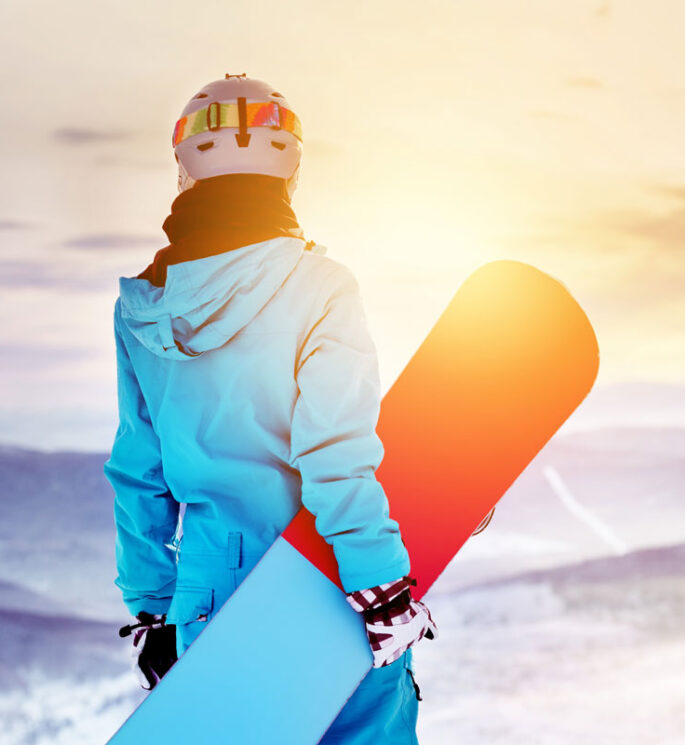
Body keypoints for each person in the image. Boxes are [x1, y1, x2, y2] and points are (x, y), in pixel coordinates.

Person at [103, 73, 436, 744]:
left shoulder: (142, 307)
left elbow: (138, 470)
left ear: (186, 167)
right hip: (320, 570)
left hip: (206, 592)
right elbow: (334, 453)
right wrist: (378, 585)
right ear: (289, 169)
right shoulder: (320, 286)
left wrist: (152, 606)